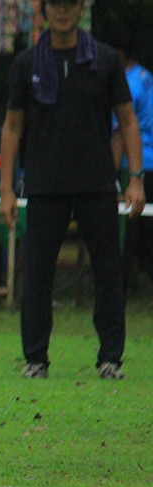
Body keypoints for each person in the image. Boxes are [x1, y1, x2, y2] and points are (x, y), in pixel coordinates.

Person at [0, 0, 145, 380]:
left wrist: (135, 178)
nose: (62, 10)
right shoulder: (27, 63)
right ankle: (36, 359)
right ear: (44, 8)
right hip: (45, 185)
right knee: (38, 276)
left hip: (98, 183)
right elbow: (12, 127)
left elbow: (128, 121)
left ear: (82, 8)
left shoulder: (104, 60)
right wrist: (6, 189)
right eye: (55, 3)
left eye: (70, 3)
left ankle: (110, 358)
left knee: (108, 273)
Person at [103, 25, 153, 292]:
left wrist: (109, 178)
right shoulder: (145, 76)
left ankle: (118, 289)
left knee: (126, 235)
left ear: (117, 53)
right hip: (150, 162)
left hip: (135, 166)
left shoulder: (126, 85)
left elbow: (121, 134)